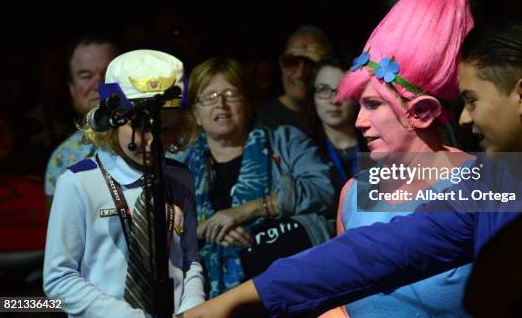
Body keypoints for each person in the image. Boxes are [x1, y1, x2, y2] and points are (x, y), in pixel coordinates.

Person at [179, 11, 522, 316]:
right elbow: (372, 253)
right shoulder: (489, 187)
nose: (464, 117)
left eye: (473, 100)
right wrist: (229, 304)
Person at [43, 49, 205, 316]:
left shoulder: (180, 178)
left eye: (167, 129)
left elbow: (189, 261)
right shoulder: (77, 183)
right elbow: (59, 280)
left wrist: (192, 309)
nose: (154, 142)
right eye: (142, 129)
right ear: (112, 121)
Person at [183, 57, 336, 298]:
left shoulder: (285, 140)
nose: (221, 104)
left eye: (231, 94)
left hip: (292, 285)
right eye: (209, 97)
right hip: (205, 296)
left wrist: (251, 210)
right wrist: (205, 228)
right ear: (196, 112)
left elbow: (324, 190)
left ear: (248, 102)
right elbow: (157, 225)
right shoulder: (179, 165)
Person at [44, 35, 119, 210]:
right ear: (71, 88)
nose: (99, 84)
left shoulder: (160, 140)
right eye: (86, 76)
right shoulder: (62, 157)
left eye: (108, 73)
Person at [256, 25, 332, 133]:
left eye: (311, 64)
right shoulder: (260, 118)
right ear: (281, 65)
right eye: (291, 62)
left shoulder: (337, 114)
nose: (300, 74)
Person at [308, 56, 366, 194]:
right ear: (312, 96)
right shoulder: (301, 147)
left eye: (343, 90)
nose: (334, 100)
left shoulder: (376, 146)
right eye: (323, 90)